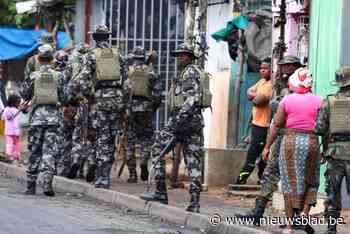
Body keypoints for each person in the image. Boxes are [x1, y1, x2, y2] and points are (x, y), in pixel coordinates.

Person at [140, 43, 211, 213]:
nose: (179, 57)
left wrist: (179, 122)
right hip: (194, 121)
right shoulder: (196, 71)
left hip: (183, 119)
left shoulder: (189, 73)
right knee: (194, 162)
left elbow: (191, 99)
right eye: (178, 55)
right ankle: (194, 203)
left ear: (190, 56)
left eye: (183, 55)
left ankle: (160, 192)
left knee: (157, 149)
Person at [236, 55, 303, 223]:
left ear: (295, 66)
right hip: (280, 133)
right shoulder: (280, 83)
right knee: (270, 173)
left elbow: (278, 105)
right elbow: (272, 105)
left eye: (288, 66)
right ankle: (257, 212)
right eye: (283, 66)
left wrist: (277, 104)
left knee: (293, 176)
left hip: (295, 135)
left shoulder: (302, 83)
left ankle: (295, 216)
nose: (285, 69)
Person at [262, 68, 321, 234]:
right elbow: (325, 127)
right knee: (311, 179)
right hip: (312, 142)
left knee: (289, 182)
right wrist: (325, 149)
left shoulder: (287, 101)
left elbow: (276, 125)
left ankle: (289, 228)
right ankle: (304, 214)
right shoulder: (319, 101)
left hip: (290, 142)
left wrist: (267, 146)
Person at [79, 25, 127, 189]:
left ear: (94, 38)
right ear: (108, 37)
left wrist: (90, 97)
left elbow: (83, 81)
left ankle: (101, 177)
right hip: (116, 100)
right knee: (111, 139)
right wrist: (124, 104)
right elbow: (127, 83)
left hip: (99, 100)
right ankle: (105, 175)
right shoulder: (118, 54)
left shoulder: (91, 55)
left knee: (100, 138)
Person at [21, 44, 65, 196]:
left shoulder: (33, 76)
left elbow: (24, 94)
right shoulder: (59, 76)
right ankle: (47, 183)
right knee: (49, 151)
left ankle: (30, 185)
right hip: (53, 119)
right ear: (52, 59)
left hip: (36, 119)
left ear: (39, 59)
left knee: (34, 151)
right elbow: (64, 97)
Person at [315, 67, 350, 234]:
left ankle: (331, 229)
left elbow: (320, 128)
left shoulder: (328, 101)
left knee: (332, 193)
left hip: (335, 153)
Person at [124, 46, 161, 183]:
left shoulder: (128, 72)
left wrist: (124, 110)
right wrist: (153, 109)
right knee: (146, 138)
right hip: (146, 109)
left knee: (130, 142)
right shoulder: (151, 72)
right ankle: (144, 160)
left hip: (131, 110)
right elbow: (157, 95)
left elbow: (123, 92)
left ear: (133, 57)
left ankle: (132, 175)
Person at [235, 59, 273, 185]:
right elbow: (248, 93)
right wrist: (257, 95)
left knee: (255, 154)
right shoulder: (262, 82)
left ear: (271, 69)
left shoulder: (272, 84)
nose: (262, 70)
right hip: (256, 124)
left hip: (264, 126)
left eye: (265, 68)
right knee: (255, 154)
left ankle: (241, 182)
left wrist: (256, 96)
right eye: (261, 68)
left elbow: (258, 101)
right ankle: (259, 180)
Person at [53, 50, 75, 177]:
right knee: (68, 140)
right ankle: (65, 169)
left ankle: (54, 167)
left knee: (57, 139)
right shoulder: (71, 73)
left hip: (58, 110)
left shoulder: (55, 75)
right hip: (70, 110)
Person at [1, 94, 22, 163]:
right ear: (15, 103)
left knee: (9, 144)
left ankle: (9, 156)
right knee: (16, 144)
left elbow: (3, 118)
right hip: (16, 131)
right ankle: (16, 156)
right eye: (18, 103)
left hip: (8, 131)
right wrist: (17, 131)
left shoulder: (6, 109)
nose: (19, 104)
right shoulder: (17, 111)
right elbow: (17, 122)